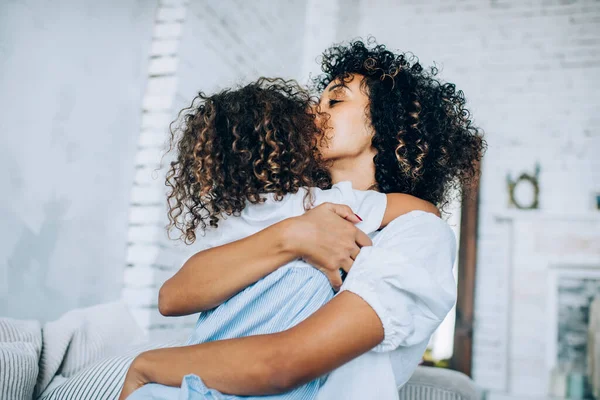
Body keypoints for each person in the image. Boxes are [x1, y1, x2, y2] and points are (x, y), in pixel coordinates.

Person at [120, 38, 485, 400]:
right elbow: (172, 297)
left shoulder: (417, 233)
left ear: (391, 126)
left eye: (335, 100)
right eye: (317, 100)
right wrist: (291, 235)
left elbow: (283, 364)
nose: (314, 111)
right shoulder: (286, 207)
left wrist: (148, 366)